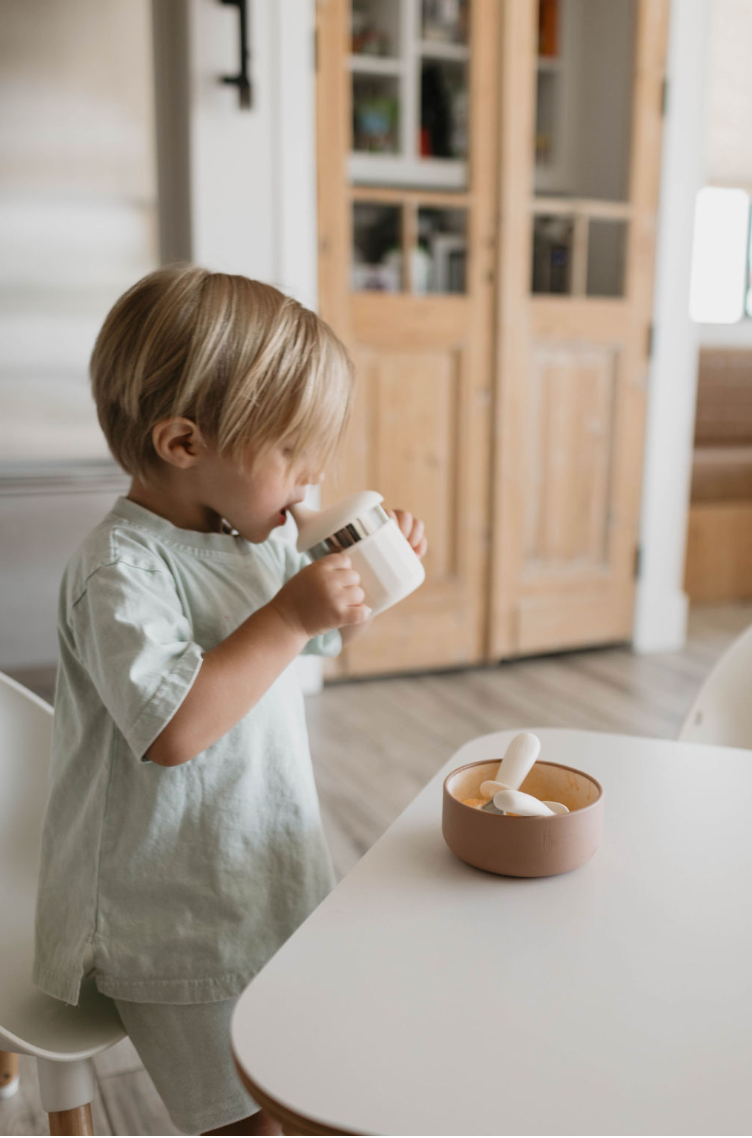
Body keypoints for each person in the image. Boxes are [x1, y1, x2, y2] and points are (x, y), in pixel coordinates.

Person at [32, 265, 427, 1136]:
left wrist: (356, 587)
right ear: (184, 445)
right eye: (294, 453)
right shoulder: (120, 571)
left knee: (312, 1083)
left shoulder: (247, 536)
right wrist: (289, 613)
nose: (313, 476)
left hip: (258, 880)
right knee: (241, 1121)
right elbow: (174, 728)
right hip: (170, 915)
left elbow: (319, 636)